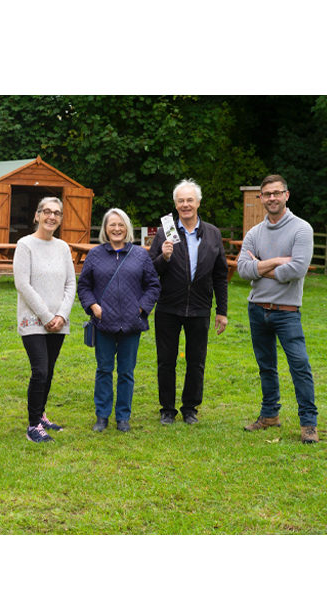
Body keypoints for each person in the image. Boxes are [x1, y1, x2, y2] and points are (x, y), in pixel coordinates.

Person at [237, 174, 317, 443]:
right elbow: (242, 269)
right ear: (261, 198)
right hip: (257, 309)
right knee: (266, 367)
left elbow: (297, 269)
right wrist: (276, 262)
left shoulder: (302, 229)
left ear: (286, 195)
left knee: (300, 366)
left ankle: (309, 423)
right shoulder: (253, 233)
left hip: (287, 311)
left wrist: (261, 267)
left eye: (276, 193)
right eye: (267, 194)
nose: (271, 198)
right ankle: (270, 415)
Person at [148, 179, 229, 426]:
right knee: (166, 360)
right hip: (168, 307)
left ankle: (190, 408)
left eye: (189, 200)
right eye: (181, 201)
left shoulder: (213, 234)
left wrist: (221, 311)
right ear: (175, 204)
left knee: (196, 360)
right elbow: (150, 270)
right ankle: (167, 409)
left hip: (199, 308)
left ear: (198, 203)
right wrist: (164, 256)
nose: (185, 205)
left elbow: (220, 274)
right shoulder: (166, 231)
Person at [78, 208, 160, 432]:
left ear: (127, 229)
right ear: (105, 228)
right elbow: (84, 286)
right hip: (103, 323)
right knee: (104, 370)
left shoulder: (140, 255)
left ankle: (123, 416)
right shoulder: (95, 255)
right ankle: (102, 416)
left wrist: (142, 307)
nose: (116, 229)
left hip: (131, 324)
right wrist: (93, 306)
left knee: (126, 372)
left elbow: (153, 285)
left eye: (121, 225)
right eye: (112, 225)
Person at [13, 197, 76, 444]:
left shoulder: (62, 247)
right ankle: (32, 426)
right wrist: (47, 316)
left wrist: (61, 315)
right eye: (47, 212)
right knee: (39, 370)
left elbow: (71, 283)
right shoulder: (25, 245)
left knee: (49, 371)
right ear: (37, 215)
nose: (52, 217)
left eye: (57, 213)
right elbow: (22, 284)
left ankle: (41, 415)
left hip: (59, 321)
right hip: (33, 321)